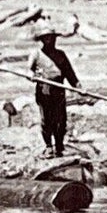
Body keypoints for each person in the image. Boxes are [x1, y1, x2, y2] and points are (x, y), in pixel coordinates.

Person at [26, 25, 80, 157]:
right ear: (42, 40)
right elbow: (28, 70)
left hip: (59, 91)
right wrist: (31, 76)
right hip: (44, 91)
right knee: (46, 120)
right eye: (47, 38)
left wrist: (78, 87)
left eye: (52, 38)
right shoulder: (36, 54)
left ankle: (59, 146)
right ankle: (49, 147)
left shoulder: (60, 55)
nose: (50, 41)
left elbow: (70, 74)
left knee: (61, 121)